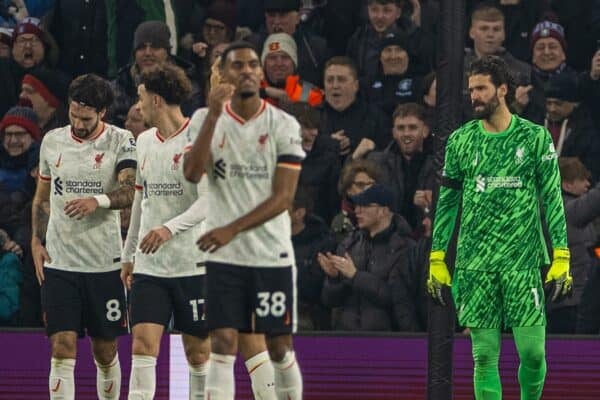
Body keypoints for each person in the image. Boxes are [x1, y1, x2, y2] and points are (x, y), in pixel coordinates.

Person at [427, 56, 572, 400]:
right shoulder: (460, 141)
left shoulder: (535, 138)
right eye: (471, 89)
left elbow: (552, 198)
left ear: (502, 90)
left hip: (522, 261)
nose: (473, 96)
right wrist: (436, 257)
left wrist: (561, 254)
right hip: (474, 263)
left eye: (481, 88)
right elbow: (447, 204)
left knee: (534, 354)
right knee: (484, 355)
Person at [183, 41, 304, 400]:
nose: (248, 70)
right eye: (238, 65)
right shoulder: (204, 120)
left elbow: (283, 198)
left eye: (254, 64)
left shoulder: (284, 124)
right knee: (222, 342)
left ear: (261, 73)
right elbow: (191, 173)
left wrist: (231, 229)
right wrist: (214, 117)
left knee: (279, 346)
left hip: (270, 253)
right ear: (224, 74)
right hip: (225, 258)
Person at [31, 73, 136, 400]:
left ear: (103, 112)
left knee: (105, 350)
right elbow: (42, 197)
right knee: (61, 346)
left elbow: (130, 190)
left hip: (105, 265)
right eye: (73, 115)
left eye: (86, 118)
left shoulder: (122, 140)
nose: (77, 123)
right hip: (61, 263)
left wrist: (99, 201)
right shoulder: (53, 141)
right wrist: (36, 240)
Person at [119, 63, 210, 400]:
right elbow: (141, 202)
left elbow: (208, 202)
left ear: (156, 99)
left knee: (199, 353)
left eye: (140, 98)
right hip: (149, 267)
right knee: (142, 345)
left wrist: (169, 229)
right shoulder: (143, 141)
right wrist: (129, 255)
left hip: (192, 264)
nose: (137, 106)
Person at [319, 184, 415, 331]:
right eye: (357, 206)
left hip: (387, 341)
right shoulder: (349, 244)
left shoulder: (405, 248)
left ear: (384, 210)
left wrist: (356, 276)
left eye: (364, 206)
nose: (357, 211)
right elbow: (330, 301)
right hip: (346, 337)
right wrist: (333, 278)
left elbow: (399, 299)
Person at [548, 158, 600, 334]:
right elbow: (589, 204)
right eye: (581, 179)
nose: (587, 184)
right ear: (566, 185)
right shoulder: (561, 209)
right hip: (568, 304)